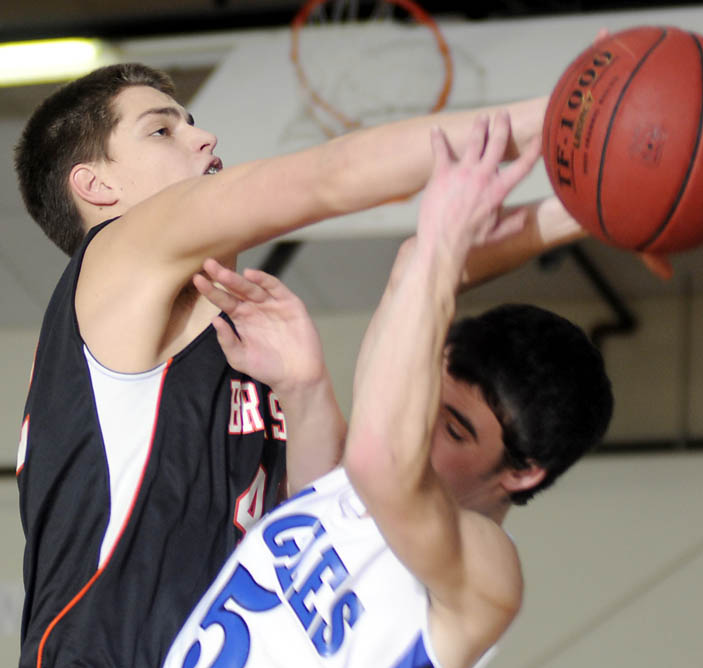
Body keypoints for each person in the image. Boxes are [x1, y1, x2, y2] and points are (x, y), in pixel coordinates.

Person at [13, 61, 591, 668]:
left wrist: (306, 391)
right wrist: (571, 116)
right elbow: (331, 177)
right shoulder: (117, 251)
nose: (204, 137)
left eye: (191, 122)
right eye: (162, 131)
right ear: (96, 187)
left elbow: (319, 529)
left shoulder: (233, 346)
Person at [163, 113, 613, 668]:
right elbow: (411, 268)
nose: (416, 425)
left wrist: (443, 247)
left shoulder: (487, 575)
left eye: (454, 429)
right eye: (425, 396)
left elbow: (381, 461)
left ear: (521, 473)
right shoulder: (352, 490)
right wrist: (602, 207)